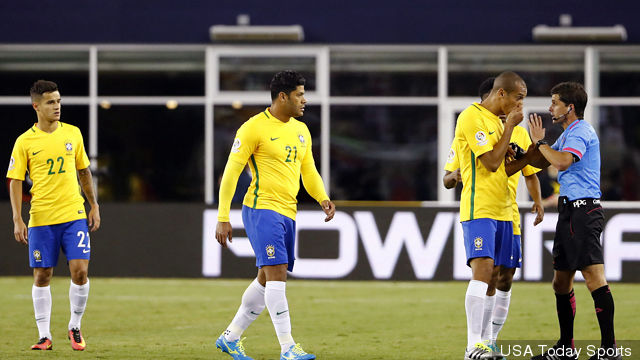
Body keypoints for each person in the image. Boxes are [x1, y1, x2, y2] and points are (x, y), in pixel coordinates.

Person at [214, 70, 335, 360]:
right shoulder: (253, 128)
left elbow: (308, 170)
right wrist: (222, 216)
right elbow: (231, 174)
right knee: (278, 272)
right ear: (283, 97)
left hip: (287, 212)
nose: (304, 100)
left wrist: (322, 197)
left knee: (267, 278)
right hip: (261, 209)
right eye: (299, 95)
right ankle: (288, 347)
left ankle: (230, 337)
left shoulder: (301, 130)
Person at [445, 77, 544, 359]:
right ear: (501, 94)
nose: (520, 105)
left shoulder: (502, 125)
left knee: (502, 277)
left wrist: (530, 156)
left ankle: (488, 343)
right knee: (484, 271)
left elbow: (506, 169)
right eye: (518, 98)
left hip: (505, 211)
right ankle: (473, 345)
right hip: (480, 208)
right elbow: (489, 163)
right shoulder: (471, 117)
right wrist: (510, 127)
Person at [528, 82, 620, 360]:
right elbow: (541, 161)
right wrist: (520, 153)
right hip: (569, 212)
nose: (550, 107)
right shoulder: (568, 133)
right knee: (561, 282)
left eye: (554, 102)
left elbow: (563, 162)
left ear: (569, 107)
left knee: (593, 277)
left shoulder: (580, 131)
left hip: (584, 212)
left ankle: (609, 350)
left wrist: (541, 143)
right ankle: (566, 348)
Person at [7, 80, 101, 351]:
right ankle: (44, 335)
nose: (57, 106)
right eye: (50, 102)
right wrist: (17, 218)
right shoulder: (25, 141)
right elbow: (14, 180)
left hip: (73, 214)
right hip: (42, 218)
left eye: (58, 101)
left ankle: (74, 326)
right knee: (42, 275)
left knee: (80, 271)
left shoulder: (73, 134)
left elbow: (84, 171)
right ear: (36, 106)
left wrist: (93, 205)